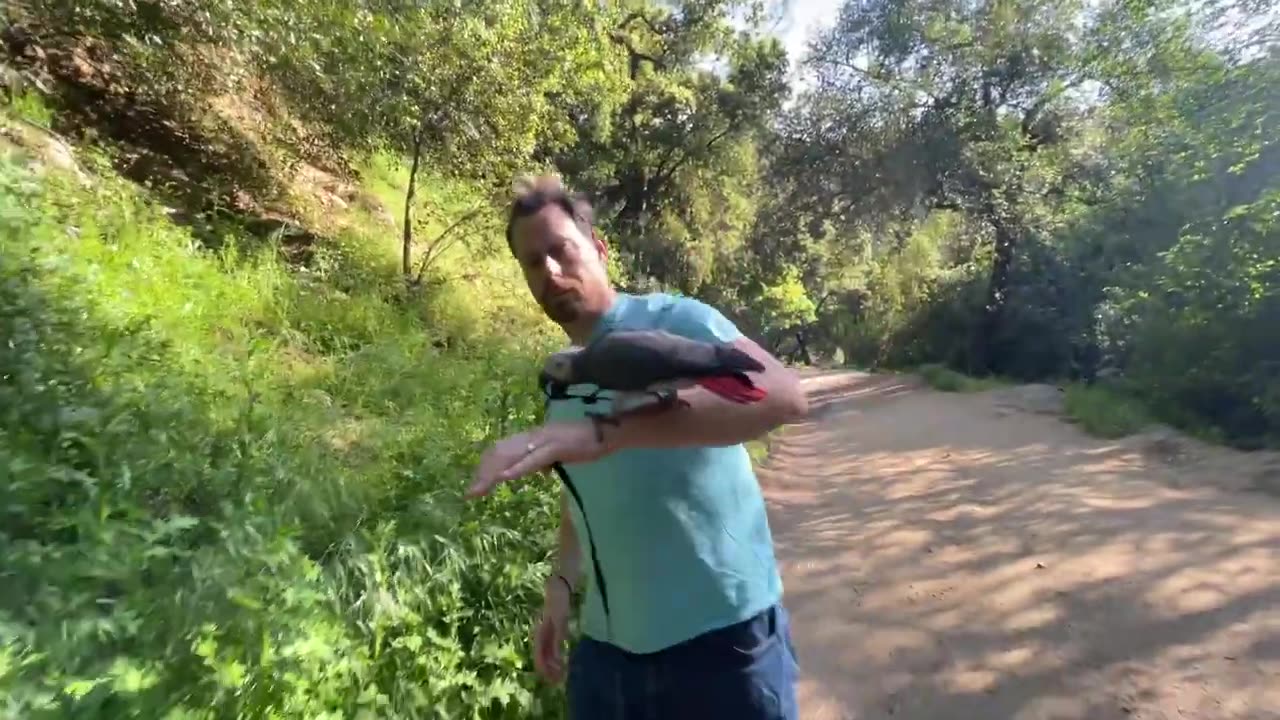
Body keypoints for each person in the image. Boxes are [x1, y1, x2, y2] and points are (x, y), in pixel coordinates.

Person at [466, 175, 807, 719]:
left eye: (561, 251)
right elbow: (588, 492)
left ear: (598, 250)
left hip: (722, 641)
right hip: (608, 654)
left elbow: (785, 396)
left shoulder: (675, 320)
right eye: (533, 262)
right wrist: (559, 584)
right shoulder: (564, 381)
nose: (550, 272)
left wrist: (609, 434)